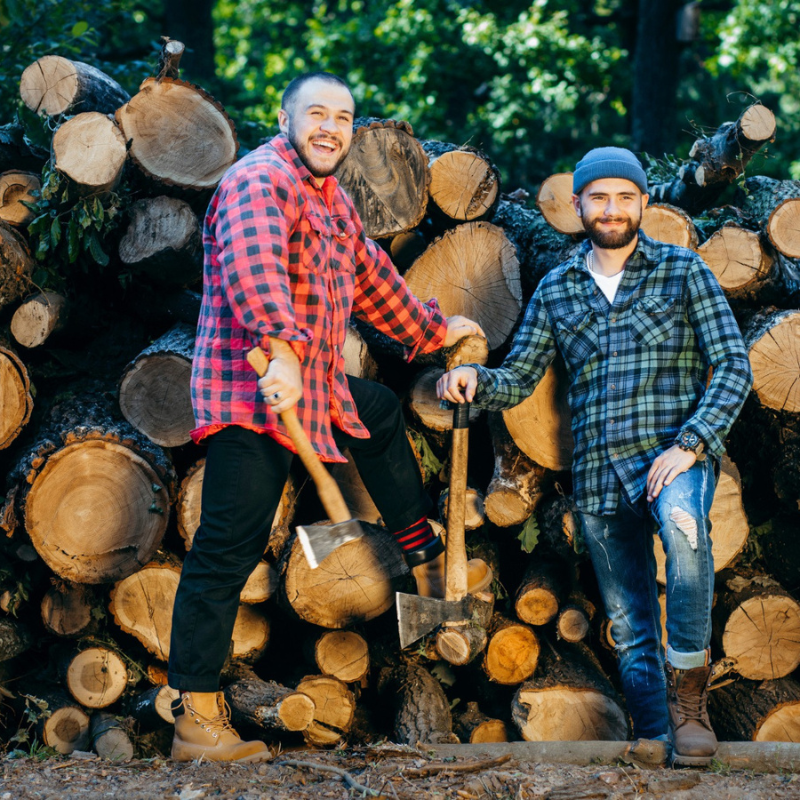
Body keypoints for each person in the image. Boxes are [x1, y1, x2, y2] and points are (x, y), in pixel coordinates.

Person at [167, 72, 493, 763]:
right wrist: (279, 350)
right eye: (317, 114)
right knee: (228, 547)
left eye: (343, 118)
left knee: (375, 412)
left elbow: (372, 277)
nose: (330, 129)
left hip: (312, 390)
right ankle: (195, 717)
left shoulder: (330, 198)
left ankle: (424, 554)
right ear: (285, 118)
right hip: (252, 397)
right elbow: (254, 272)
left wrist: (436, 331)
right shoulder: (260, 181)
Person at [437, 147, 752, 766]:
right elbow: (521, 376)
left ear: (643, 204)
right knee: (629, 617)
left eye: (625, 197)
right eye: (599, 197)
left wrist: (691, 444)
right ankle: (656, 731)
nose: (613, 209)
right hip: (598, 475)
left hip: (673, 457)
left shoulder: (683, 271)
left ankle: (691, 705)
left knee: (687, 544)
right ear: (578, 204)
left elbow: (735, 365)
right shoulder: (558, 288)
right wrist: (475, 377)